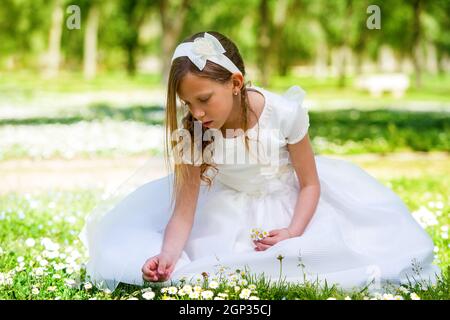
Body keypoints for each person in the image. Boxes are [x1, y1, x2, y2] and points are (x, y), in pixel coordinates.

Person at [79, 31, 441, 293]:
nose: (197, 112)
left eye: (204, 99)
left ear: (235, 82)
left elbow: (310, 183)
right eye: (188, 104)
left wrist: (293, 231)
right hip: (228, 205)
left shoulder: (282, 112)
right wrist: (169, 256)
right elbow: (184, 212)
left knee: (312, 258)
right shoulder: (192, 134)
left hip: (293, 201)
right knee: (215, 265)